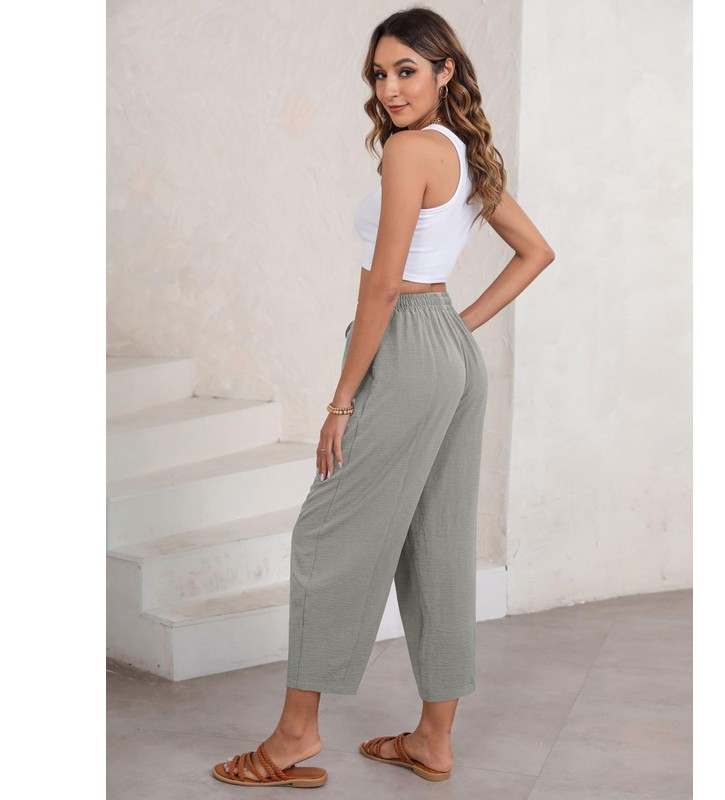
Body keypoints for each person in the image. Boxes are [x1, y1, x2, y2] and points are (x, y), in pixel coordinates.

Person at [211, 6, 555, 788]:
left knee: (326, 535)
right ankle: (433, 740)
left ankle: (294, 736)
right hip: (450, 357)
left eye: (407, 70)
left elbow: (383, 286)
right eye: (380, 74)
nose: (391, 88)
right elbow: (536, 251)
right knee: (438, 544)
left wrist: (341, 401)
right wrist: (456, 330)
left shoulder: (408, 151)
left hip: (405, 349)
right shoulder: (465, 150)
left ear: (445, 71)